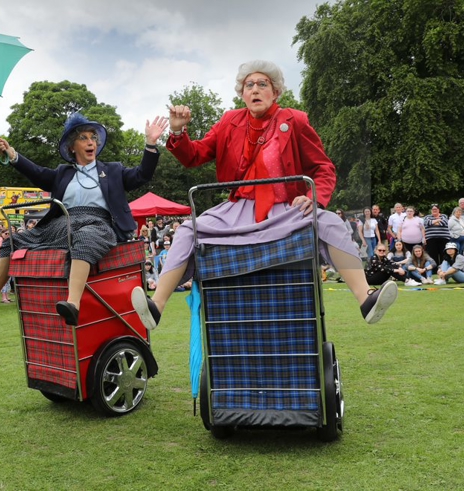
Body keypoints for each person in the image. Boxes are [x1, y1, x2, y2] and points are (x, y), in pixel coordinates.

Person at [131, 60, 397, 330]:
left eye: (262, 84)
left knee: (329, 222)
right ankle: (157, 306)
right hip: (239, 208)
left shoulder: (295, 120)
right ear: (242, 93)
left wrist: (313, 198)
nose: (255, 89)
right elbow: (194, 156)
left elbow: (324, 168)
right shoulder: (228, 121)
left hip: (285, 208)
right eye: (249, 85)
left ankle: (366, 299)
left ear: (275, 92)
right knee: (188, 230)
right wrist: (177, 130)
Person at [0, 112, 168, 324]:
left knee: (85, 237)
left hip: (99, 223)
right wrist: (12, 154)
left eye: (93, 138)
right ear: (71, 146)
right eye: (83, 138)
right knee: (10, 242)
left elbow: (142, 175)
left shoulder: (113, 170)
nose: (90, 142)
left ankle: (73, 304)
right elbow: (37, 172)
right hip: (63, 223)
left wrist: (151, 144)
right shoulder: (62, 173)